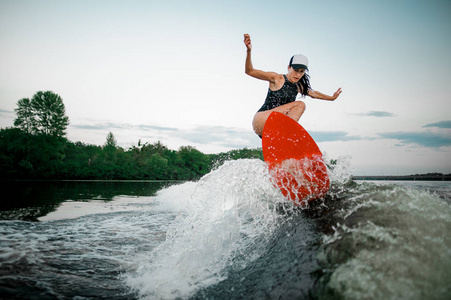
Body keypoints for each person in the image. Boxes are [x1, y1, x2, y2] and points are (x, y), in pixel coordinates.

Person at [244, 34, 342, 137]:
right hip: (262, 119)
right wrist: (249, 51)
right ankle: (288, 133)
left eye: (302, 71)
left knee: (283, 149)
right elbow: (250, 71)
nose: (298, 75)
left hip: (271, 127)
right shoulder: (277, 78)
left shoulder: (298, 86)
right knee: (300, 104)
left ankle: (284, 138)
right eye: (295, 70)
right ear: (288, 67)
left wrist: (331, 98)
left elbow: (314, 94)